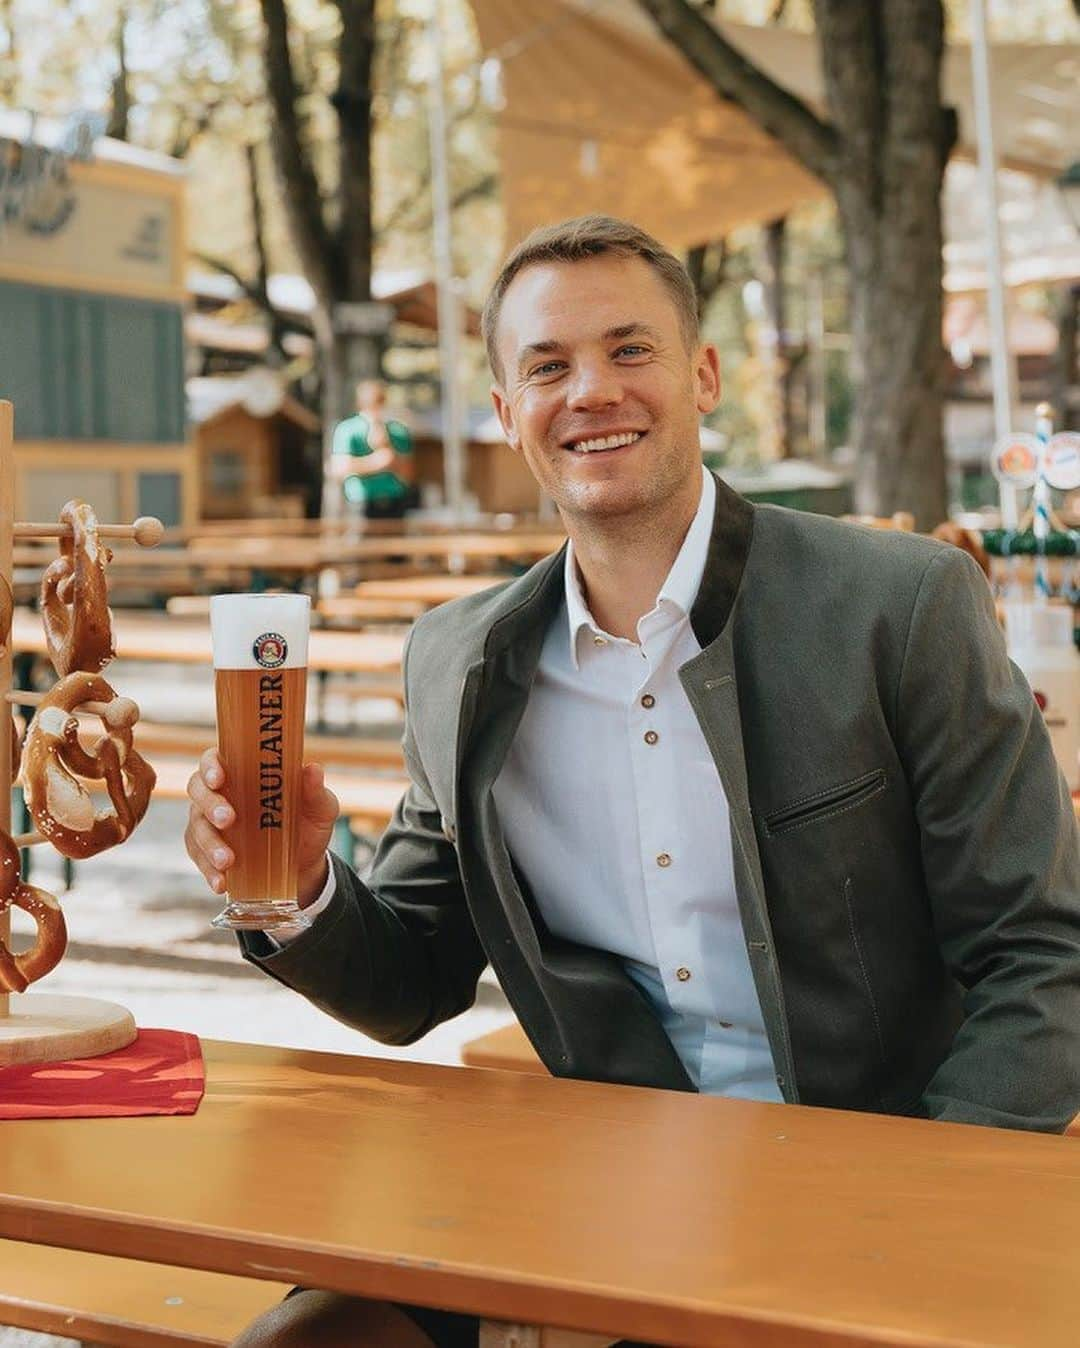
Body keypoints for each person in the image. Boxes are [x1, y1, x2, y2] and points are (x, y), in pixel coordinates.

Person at [186, 215, 1080, 1348]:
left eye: (631, 350)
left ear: (703, 375)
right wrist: (300, 888)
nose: (592, 390)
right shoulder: (454, 660)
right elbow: (412, 974)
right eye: (548, 367)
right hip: (590, 1192)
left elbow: (1043, 948)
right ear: (508, 414)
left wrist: (933, 1205)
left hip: (874, 1190)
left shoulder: (897, 606)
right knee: (298, 1343)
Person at [328, 378, 419, 521]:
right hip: (360, 503)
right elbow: (338, 468)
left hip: (395, 501)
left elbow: (409, 473)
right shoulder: (348, 429)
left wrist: (389, 453)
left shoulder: (398, 431)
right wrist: (375, 463)